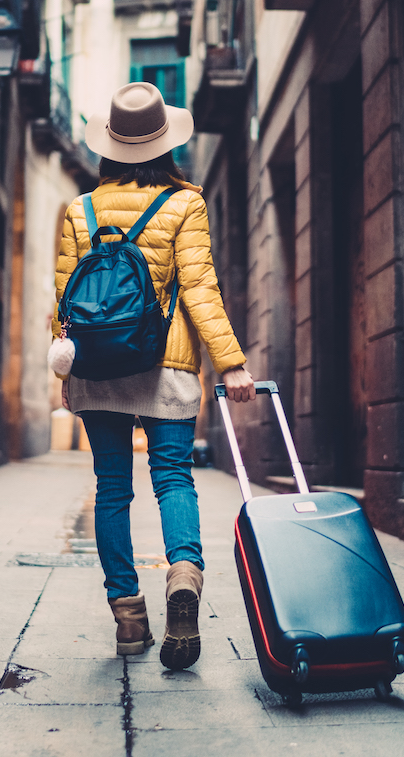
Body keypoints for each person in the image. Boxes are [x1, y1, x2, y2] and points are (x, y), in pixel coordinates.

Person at [53, 81, 255, 670]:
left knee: (112, 490)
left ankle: (128, 619)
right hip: (165, 368)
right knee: (174, 480)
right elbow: (200, 290)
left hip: (97, 369)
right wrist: (232, 362)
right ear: (164, 144)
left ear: (108, 148)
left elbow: (67, 301)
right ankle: (183, 578)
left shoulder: (79, 210)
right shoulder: (184, 204)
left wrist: (67, 375)